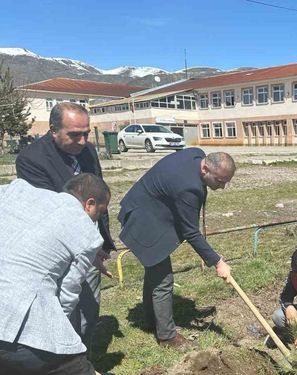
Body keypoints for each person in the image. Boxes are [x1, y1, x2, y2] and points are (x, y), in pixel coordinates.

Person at [15, 102, 115, 356]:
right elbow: (49, 211)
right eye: (74, 134)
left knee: (89, 310)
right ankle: (63, 359)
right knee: (62, 309)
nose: (82, 141)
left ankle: (83, 357)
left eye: (86, 133)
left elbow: (97, 196)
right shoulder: (31, 160)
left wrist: (100, 241)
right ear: (53, 130)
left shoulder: (88, 151)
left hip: (88, 242)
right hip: (56, 248)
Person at [118, 148, 234, 350]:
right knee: (163, 281)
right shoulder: (189, 188)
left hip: (146, 209)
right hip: (143, 222)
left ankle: (151, 321)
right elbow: (191, 232)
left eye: (226, 181)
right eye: (219, 181)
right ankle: (167, 337)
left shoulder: (196, 154)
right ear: (205, 168)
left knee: (154, 272)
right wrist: (218, 262)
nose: (223, 187)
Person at [0, 174, 110, 375]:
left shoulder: (18, 190)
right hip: (20, 329)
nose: (97, 219)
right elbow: (67, 297)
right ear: (90, 204)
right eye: (100, 213)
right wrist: (56, 335)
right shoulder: (87, 232)